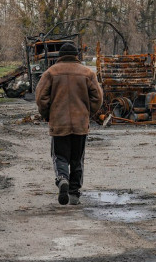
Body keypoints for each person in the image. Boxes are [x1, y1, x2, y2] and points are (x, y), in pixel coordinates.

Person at [35, 42, 103, 206]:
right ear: (76, 55)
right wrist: (87, 113)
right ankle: (74, 194)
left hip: (59, 123)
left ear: (60, 56)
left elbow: (40, 98)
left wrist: (47, 115)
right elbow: (98, 98)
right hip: (80, 123)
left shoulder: (50, 73)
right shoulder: (88, 73)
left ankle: (62, 179)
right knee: (77, 159)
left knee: (60, 156)